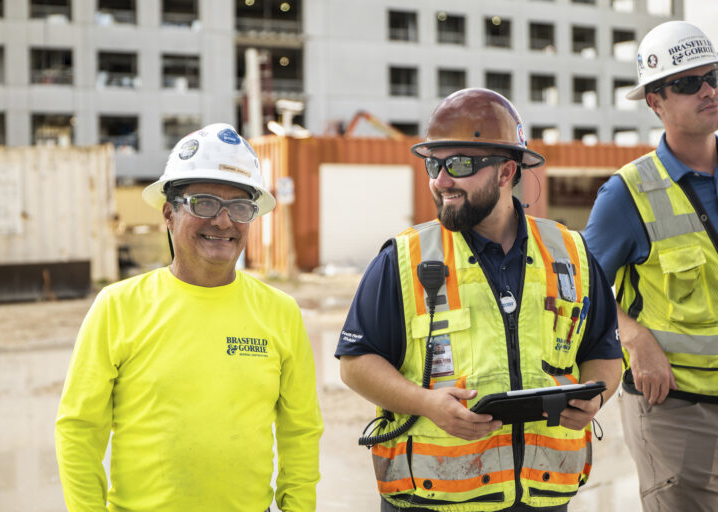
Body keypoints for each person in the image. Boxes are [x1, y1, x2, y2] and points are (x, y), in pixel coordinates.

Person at [336, 88, 623, 512]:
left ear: (507, 172)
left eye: (459, 165)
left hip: (543, 495)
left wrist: (595, 399)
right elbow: (355, 363)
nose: (440, 180)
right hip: (431, 499)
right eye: (434, 164)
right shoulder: (403, 259)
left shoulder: (571, 254)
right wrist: (426, 404)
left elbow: (604, 352)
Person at [55, 123, 323, 512]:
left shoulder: (280, 313)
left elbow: (301, 430)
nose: (224, 222)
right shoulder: (117, 307)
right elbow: (79, 430)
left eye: (240, 207)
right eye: (205, 203)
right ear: (168, 213)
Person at [584, 20, 718, 511]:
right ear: (655, 102)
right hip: (678, 411)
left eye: (714, 77)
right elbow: (581, 289)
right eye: (688, 83)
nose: (708, 90)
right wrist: (632, 336)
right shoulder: (627, 194)